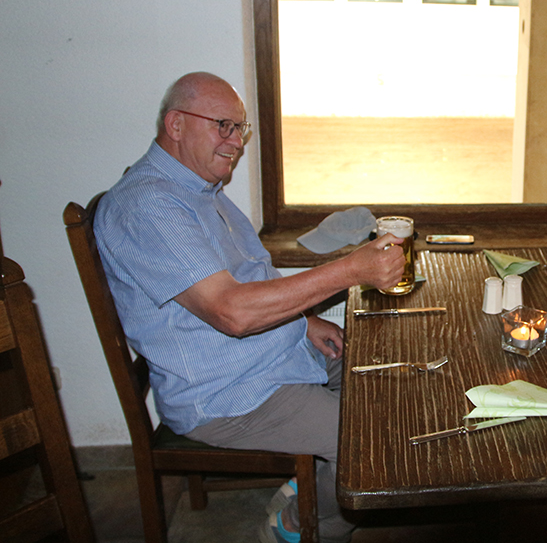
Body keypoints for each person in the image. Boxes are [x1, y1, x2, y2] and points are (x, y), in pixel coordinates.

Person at [94, 72, 405, 543]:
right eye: (223, 125)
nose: (236, 142)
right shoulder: (148, 205)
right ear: (176, 124)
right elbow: (231, 312)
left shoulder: (198, 190)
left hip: (271, 356)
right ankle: (296, 525)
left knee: (384, 383)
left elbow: (247, 281)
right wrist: (349, 270)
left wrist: (303, 323)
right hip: (228, 392)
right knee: (374, 449)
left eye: (240, 128)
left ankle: (314, 480)